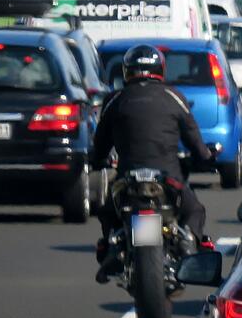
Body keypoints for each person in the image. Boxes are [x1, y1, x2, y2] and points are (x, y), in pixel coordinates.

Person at [91, 44, 212, 282]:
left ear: (127, 72)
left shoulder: (114, 99)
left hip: (128, 178)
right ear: (160, 70)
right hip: (167, 178)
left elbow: (99, 145)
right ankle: (188, 240)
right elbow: (195, 140)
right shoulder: (173, 96)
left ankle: (112, 246)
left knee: (107, 211)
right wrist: (206, 159)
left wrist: (96, 160)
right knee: (195, 209)